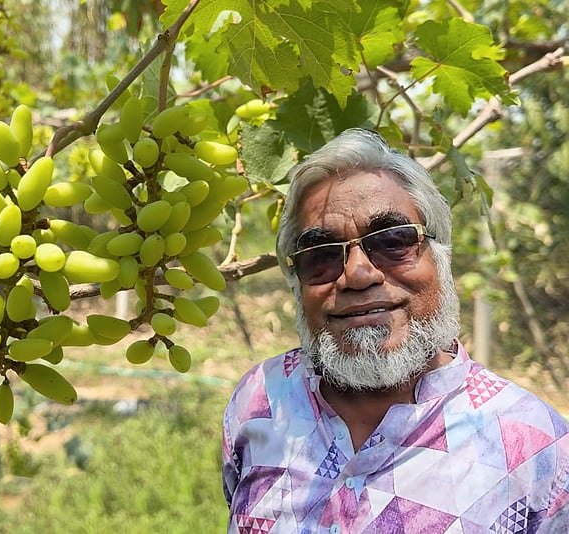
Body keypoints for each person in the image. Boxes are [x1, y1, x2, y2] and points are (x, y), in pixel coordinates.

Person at [222, 128, 569, 533]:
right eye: (321, 255)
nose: (358, 274)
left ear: (441, 258)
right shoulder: (260, 399)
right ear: (297, 281)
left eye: (393, 241)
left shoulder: (537, 448)